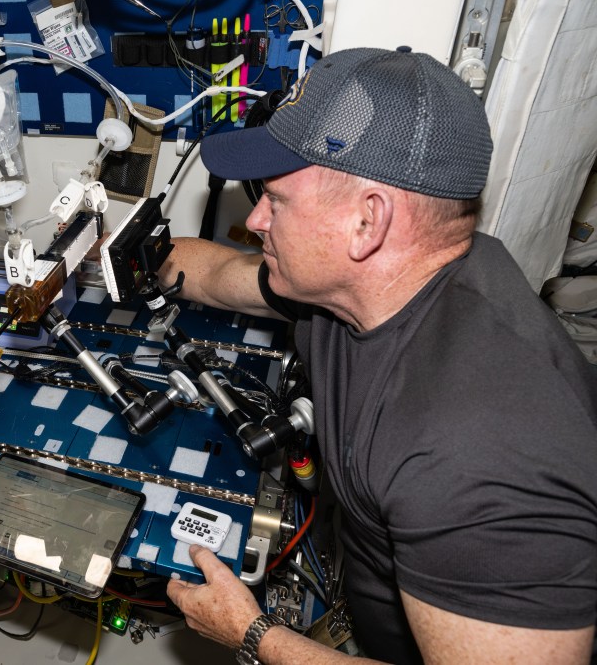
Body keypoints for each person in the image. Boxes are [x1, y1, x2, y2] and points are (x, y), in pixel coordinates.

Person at [161, 46, 597, 664]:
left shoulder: (478, 456)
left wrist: (253, 634)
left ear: (368, 222)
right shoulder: (375, 280)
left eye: (275, 201)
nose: (255, 219)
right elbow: (219, 273)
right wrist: (119, 254)